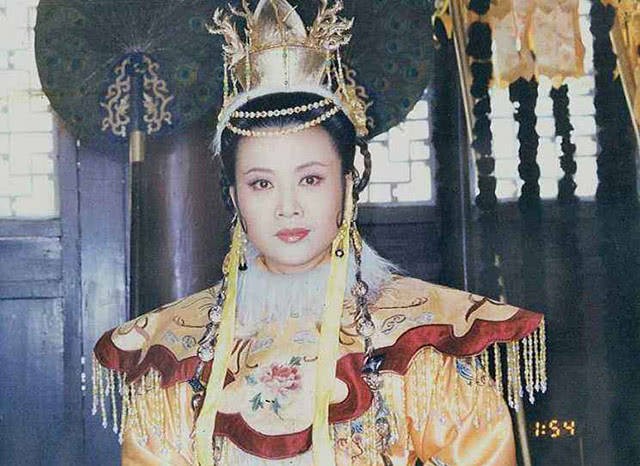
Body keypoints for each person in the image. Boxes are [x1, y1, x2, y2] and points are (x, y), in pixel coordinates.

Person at [92, 1, 546, 464]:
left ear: (347, 184)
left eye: (310, 179)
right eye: (261, 183)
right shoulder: (176, 350)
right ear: (234, 196)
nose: (287, 207)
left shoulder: (423, 342)